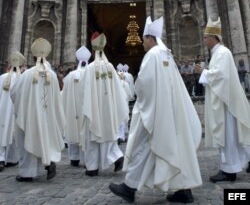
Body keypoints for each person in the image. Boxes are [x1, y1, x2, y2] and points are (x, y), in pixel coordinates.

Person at [109, 16, 202, 203]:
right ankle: (184, 189)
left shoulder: (152, 55)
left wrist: (138, 98)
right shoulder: (166, 53)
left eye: (143, 40)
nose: (142, 44)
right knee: (174, 147)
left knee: (143, 147)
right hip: (170, 110)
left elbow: (144, 83)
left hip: (154, 111)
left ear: (150, 38)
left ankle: (129, 187)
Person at [194, 17, 250, 183]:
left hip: (226, 104)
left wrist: (203, 72)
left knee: (228, 136)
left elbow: (221, 76)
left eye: (206, 37)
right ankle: (235, 164)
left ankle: (229, 170)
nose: (204, 40)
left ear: (213, 37)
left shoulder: (223, 53)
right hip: (222, 101)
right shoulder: (217, 53)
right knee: (230, 136)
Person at [10, 38, 66, 182]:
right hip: (48, 115)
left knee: (27, 137)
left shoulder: (27, 74)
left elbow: (15, 92)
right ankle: (48, 161)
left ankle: (27, 172)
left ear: (33, 56)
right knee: (45, 136)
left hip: (29, 115)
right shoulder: (52, 75)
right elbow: (58, 95)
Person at [79, 32, 129, 176]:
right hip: (108, 107)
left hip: (93, 107)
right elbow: (118, 89)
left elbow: (82, 90)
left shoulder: (89, 69)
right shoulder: (110, 68)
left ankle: (92, 167)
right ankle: (116, 157)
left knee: (93, 135)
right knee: (107, 132)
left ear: (93, 51)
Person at [62, 46, 91, 166]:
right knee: (86, 131)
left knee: (73, 127)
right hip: (86, 109)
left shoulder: (69, 76)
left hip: (73, 110)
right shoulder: (91, 74)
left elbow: (64, 94)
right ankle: (86, 158)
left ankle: (74, 157)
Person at [0, 51, 25, 172]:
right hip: (16, 111)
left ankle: (1, 157)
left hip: (2, 111)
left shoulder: (2, 77)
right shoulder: (22, 79)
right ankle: (11, 159)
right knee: (13, 133)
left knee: (2, 131)